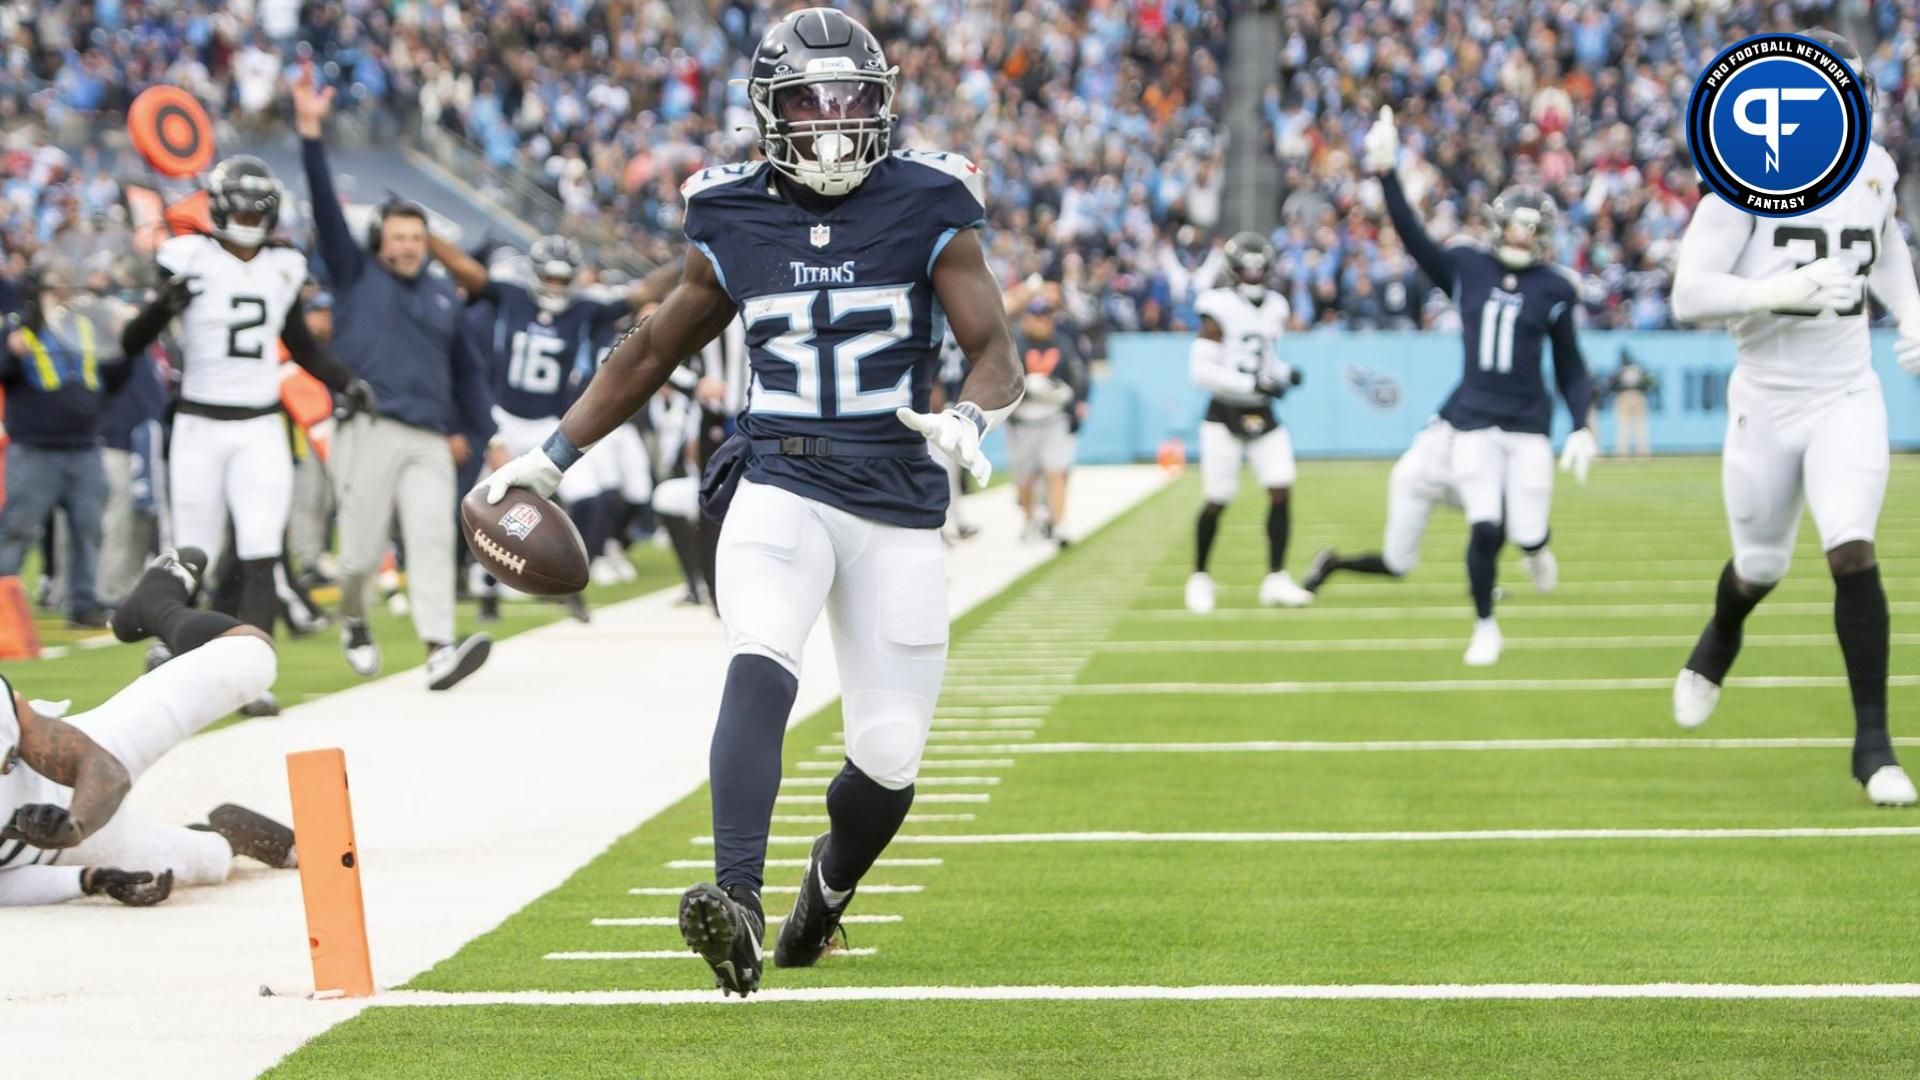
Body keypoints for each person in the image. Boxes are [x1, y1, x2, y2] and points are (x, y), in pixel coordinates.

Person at [483, 7, 1023, 997]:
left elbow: (997, 350)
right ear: (766, 113)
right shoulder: (728, 211)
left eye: (850, 102)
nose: (829, 124)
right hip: (780, 476)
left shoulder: (931, 197)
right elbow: (651, 348)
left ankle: (825, 893)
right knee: (760, 656)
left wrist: (973, 419)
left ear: (884, 105)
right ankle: (736, 900)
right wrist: (554, 455)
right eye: (807, 104)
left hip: (897, 495)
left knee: (891, 755)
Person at [1667, 28, 1920, 807]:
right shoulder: (1737, 187)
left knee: (1851, 546)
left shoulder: (1873, 167)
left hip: (1846, 389)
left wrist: (1911, 314)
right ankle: (1718, 642)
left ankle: (1874, 748)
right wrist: (1768, 293)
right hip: (1767, 399)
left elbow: (1888, 250)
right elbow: (1688, 295)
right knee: (1762, 566)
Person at [119, 155, 374, 716]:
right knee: (190, 551)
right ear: (216, 207)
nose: (247, 217)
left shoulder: (283, 264)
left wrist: (345, 381)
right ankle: (172, 651)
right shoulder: (184, 256)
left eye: (257, 209)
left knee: (261, 551)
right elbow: (133, 343)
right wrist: (163, 306)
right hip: (198, 422)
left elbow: (300, 345)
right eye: (239, 206)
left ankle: (251, 674)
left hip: (260, 423)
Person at [1365, 106, 1596, 665]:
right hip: (1473, 418)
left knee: (1528, 530)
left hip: (1529, 423)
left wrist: (1583, 426)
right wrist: (1387, 171)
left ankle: (1538, 549)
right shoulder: (1468, 263)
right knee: (1485, 524)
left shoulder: (1557, 286)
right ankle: (1485, 626)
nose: (1521, 235)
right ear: (1498, 225)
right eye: (1516, 225)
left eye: (1531, 228)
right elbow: (1416, 241)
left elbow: (1570, 365)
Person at [291, 66, 496, 691]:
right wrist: (309, 132)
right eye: (398, 236)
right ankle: (354, 618)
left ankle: (438, 647)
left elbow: (469, 373)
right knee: (356, 556)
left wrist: (471, 432)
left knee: (433, 539)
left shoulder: (442, 295)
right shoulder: (355, 276)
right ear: (380, 239)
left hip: (429, 437)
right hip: (367, 427)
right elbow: (326, 207)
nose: (407, 245)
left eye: (417, 237)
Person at [0, 548, 297, 905]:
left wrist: (72, 824)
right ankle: (228, 833)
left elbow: (104, 770)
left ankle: (156, 606)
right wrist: (87, 878)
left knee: (251, 659)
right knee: (209, 860)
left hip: (76, 782)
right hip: (67, 852)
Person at [0, 262, 142, 628]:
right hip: (35, 448)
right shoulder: (20, 330)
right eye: (54, 288)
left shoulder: (85, 328)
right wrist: (10, 352)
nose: (64, 295)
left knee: (89, 528)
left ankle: (83, 603)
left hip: (83, 445)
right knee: (17, 527)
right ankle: (3, 603)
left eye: (66, 287)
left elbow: (110, 377)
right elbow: (6, 373)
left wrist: (126, 346)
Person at [1185, 231, 1313, 614]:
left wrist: (1285, 374)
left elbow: (1267, 359)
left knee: (1280, 488)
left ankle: (1276, 578)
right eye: (1248, 266)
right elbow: (1201, 370)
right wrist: (1249, 382)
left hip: (1262, 409)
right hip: (1224, 411)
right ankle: (1200, 577)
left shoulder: (1276, 305)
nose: (1255, 274)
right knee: (1218, 497)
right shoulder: (1217, 304)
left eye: (1260, 267)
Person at [1006, 291, 1089, 545]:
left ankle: (1060, 523)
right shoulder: (1015, 344)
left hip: (1054, 417)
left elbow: (1077, 375)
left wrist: (1073, 400)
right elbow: (1004, 379)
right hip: (1023, 419)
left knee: (1056, 471)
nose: (1040, 321)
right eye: (1035, 315)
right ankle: (1029, 520)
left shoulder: (1062, 342)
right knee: (1025, 477)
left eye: (1045, 315)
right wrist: (1027, 388)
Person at [1607, 352, 1654, 459]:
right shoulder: (1639, 369)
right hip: (1638, 396)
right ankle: (1643, 453)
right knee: (1641, 426)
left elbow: (1612, 384)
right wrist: (1643, 390)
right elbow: (1649, 382)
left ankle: (1622, 454)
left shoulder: (1620, 370)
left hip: (1624, 396)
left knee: (1623, 427)